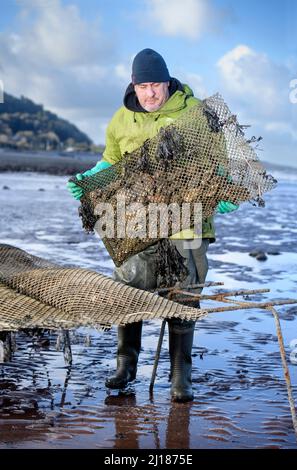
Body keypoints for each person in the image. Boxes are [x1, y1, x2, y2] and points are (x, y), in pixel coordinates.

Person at [67, 48, 238, 402]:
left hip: (186, 221)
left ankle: (180, 376)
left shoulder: (196, 115)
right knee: (128, 286)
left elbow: (218, 165)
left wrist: (225, 188)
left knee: (184, 292)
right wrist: (92, 180)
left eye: (156, 85)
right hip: (138, 222)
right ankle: (125, 363)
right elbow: (111, 162)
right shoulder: (120, 119)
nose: (150, 94)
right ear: (133, 84)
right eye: (143, 86)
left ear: (168, 82)